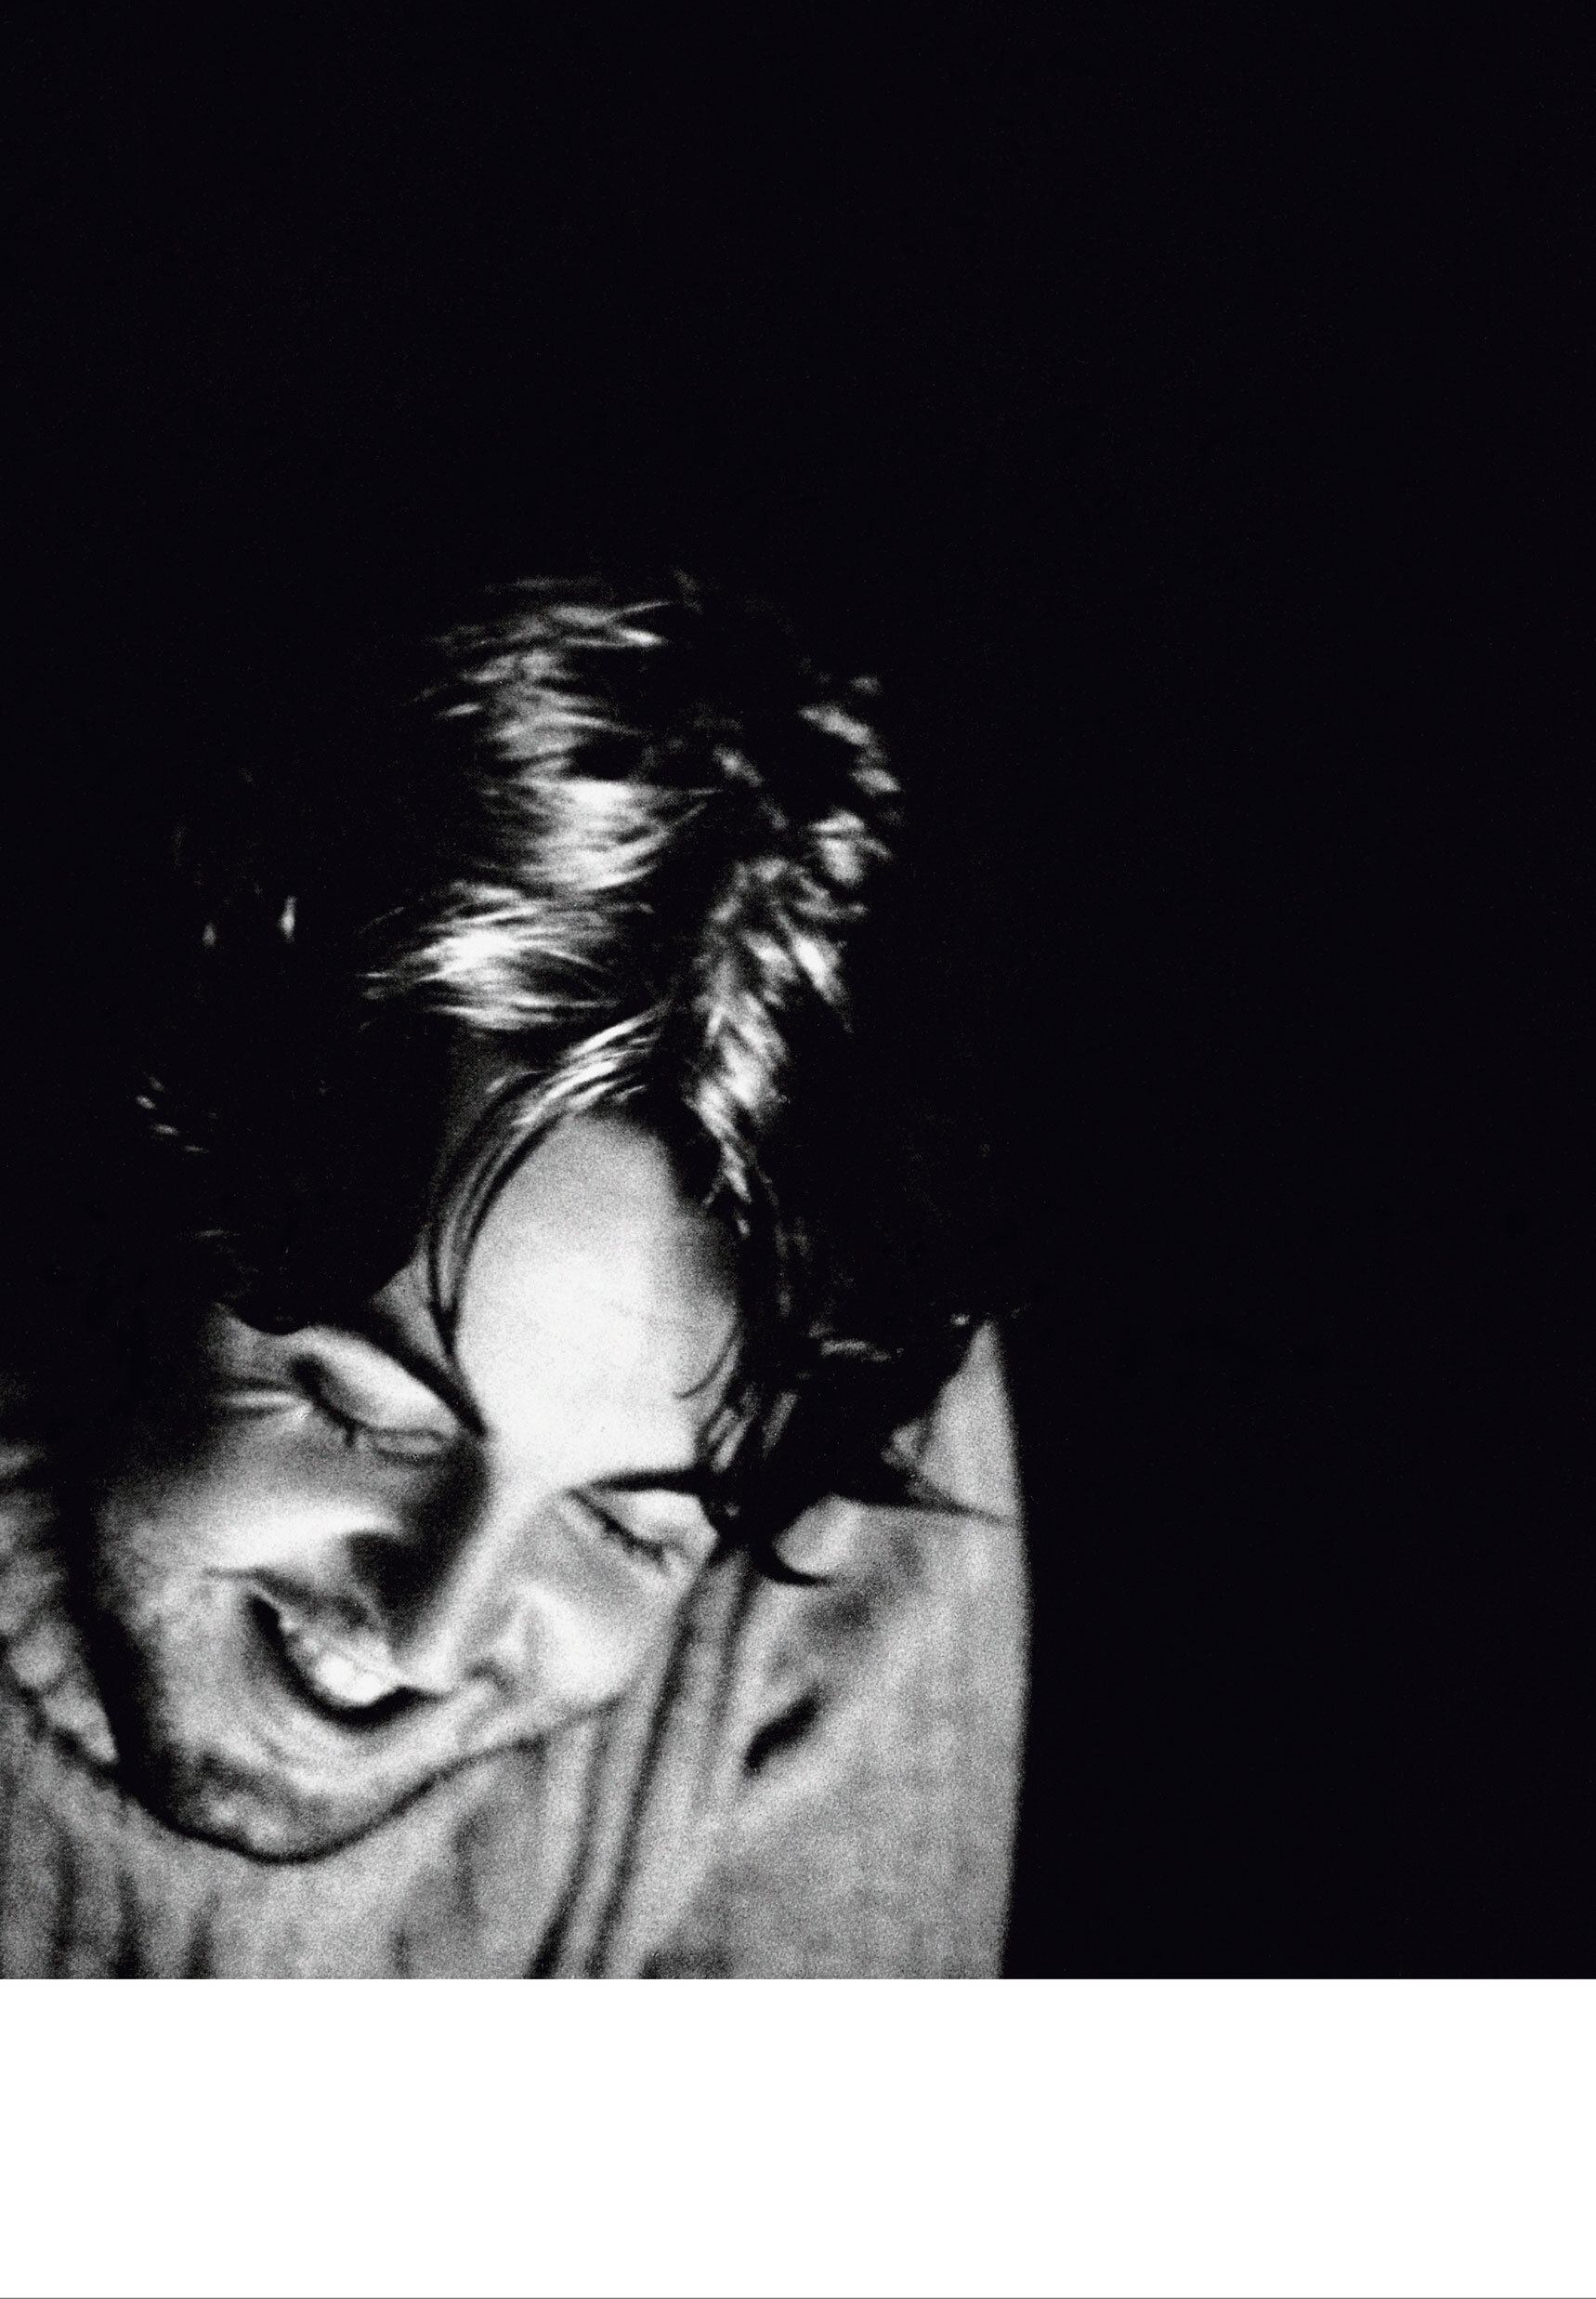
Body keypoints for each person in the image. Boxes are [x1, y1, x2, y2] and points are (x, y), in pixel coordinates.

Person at [0, 577, 1025, 1973]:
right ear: (146, 1204)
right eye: (367, 1413)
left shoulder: (846, 1410)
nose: (431, 1641)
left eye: (623, 1529)